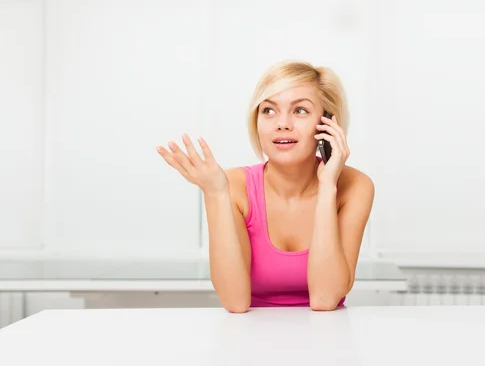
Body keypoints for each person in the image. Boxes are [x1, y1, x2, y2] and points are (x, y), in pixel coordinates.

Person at [156, 60, 375, 312]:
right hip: (248, 340)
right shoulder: (233, 186)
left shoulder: (356, 187)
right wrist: (216, 193)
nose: (282, 123)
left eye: (300, 110)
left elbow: (325, 299)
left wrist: (328, 187)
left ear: (327, 123)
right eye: (268, 110)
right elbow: (235, 302)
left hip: (329, 337)